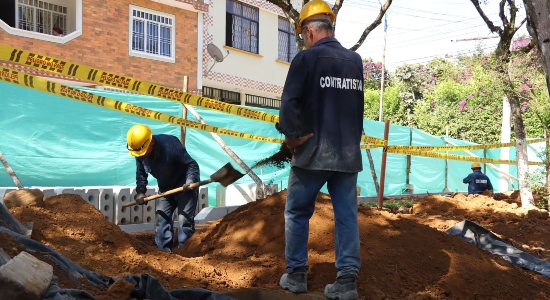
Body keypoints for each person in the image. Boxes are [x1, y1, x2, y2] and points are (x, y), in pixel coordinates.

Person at [275, 0, 364, 299]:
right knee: (346, 216)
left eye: (303, 36)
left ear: (309, 32)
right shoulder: (355, 61)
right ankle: (347, 282)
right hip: (347, 153)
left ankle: (297, 275)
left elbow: (289, 104)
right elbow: (357, 108)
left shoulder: (306, 59)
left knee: (298, 212)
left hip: (312, 151)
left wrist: (292, 138)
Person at [126, 124, 200, 252]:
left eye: (143, 152)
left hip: (184, 186)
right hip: (165, 187)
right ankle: (163, 255)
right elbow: (141, 173)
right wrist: (140, 192)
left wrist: (189, 182)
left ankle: (186, 254)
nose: (141, 155)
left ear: (152, 142)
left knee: (185, 222)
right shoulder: (140, 151)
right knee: (161, 221)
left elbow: (191, 165)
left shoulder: (170, 146)